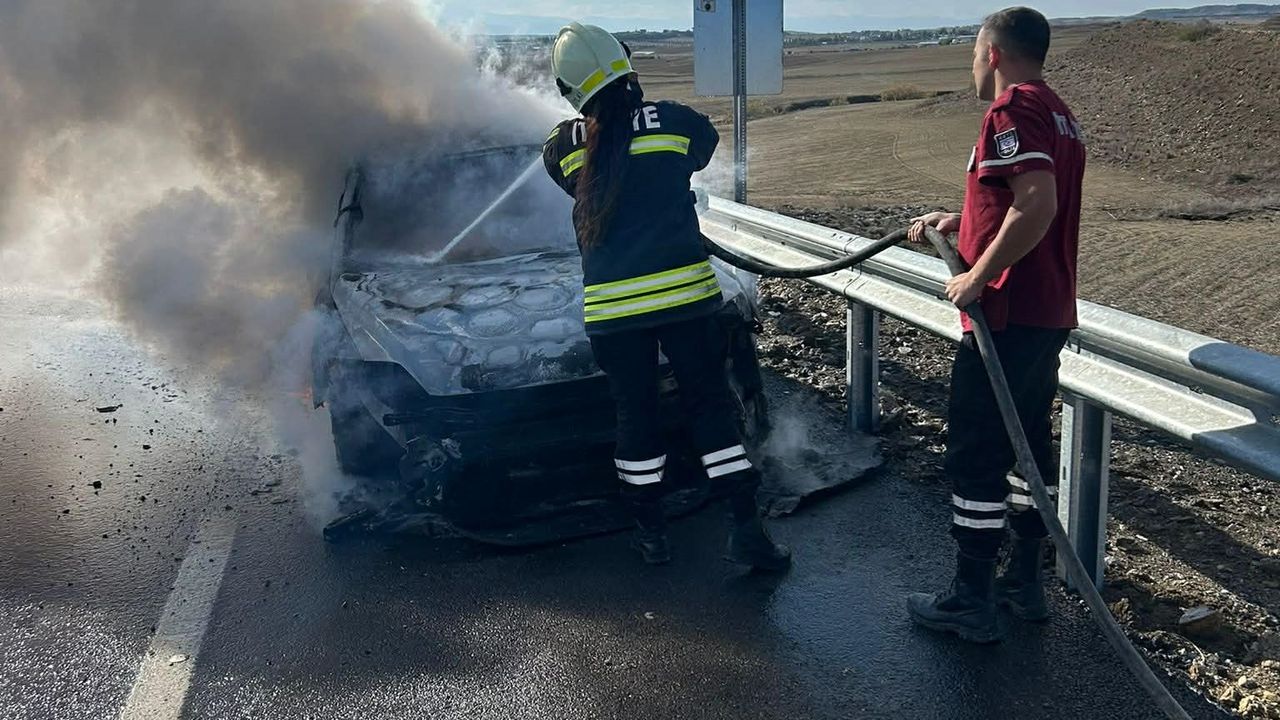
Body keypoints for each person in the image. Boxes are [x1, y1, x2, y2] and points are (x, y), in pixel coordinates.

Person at [540, 22, 790, 570]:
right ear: (628, 65)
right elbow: (702, 151)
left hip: (612, 315)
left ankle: (650, 535)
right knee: (710, 409)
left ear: (568, 89)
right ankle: (746, 531)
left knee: (636, 418)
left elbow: (573, 176)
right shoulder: (676, 121)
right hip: (686, 302)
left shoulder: (563, 145)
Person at [905, 6, 1086, 642]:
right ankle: (1024, 584)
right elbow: (1016, 199)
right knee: (1027, 452)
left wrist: (977, 277)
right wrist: (962, 224)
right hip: (1046, 311)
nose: (971, 63)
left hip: (1007, 314)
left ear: (995, 53)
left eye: (974, 51)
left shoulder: (1010, 111)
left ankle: (970, 599)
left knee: (977, 453)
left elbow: (1037, 204)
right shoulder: (1059, 112)